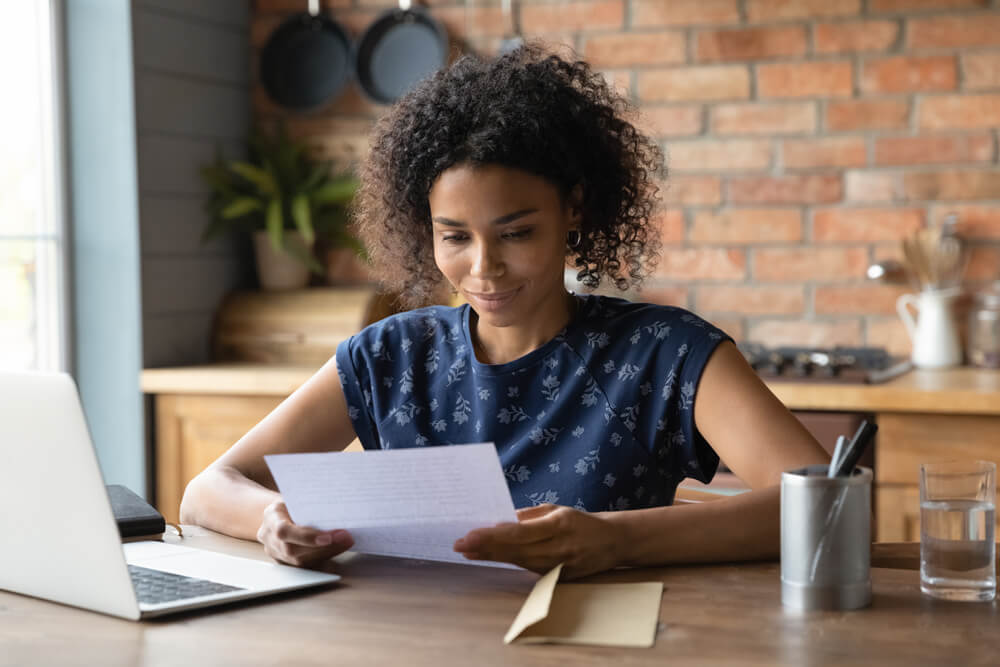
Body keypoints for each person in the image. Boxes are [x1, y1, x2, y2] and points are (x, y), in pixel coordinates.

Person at [180, 44, 828, 580]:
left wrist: (616, 540)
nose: (483, 268)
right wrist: (272, 520)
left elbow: (824, 500)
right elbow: (209, 489)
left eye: (516, 233)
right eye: (455, 236)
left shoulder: (664, 351)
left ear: (574, 209)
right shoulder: (391, 357)